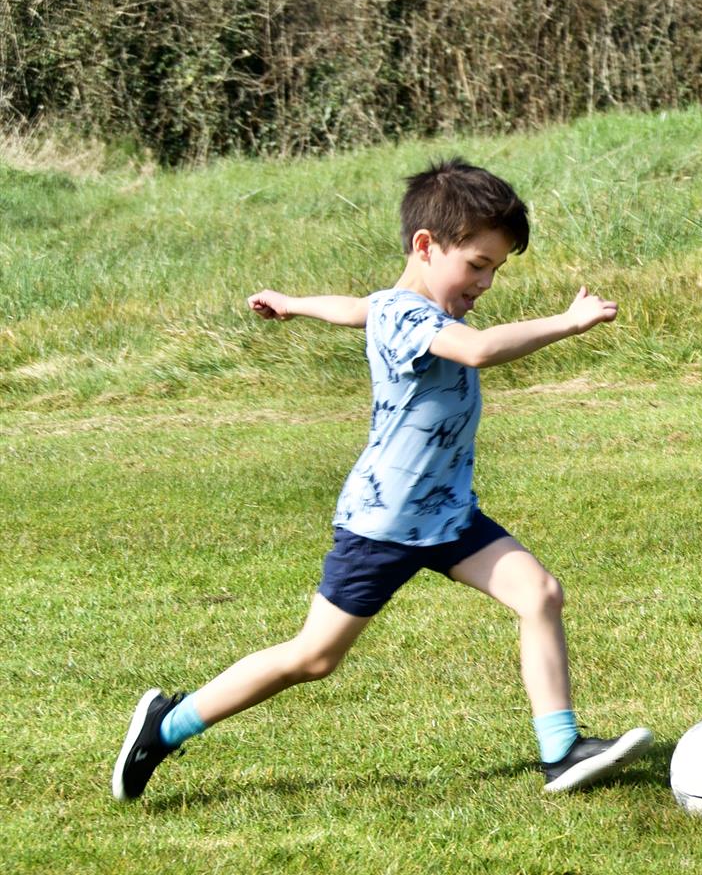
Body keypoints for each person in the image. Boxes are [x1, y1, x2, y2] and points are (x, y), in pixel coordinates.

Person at [112, 157, 651, 801]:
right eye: (476, 265)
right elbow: (476, 349)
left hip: (448, 514)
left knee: (538, 593)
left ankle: (561, 752)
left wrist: (292, 304)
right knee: (313, 659)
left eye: (494, 271)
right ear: (425, 246)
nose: (484, 282)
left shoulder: (394, 309)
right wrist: (568, 322)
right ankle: (164, 726)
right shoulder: (410, 318)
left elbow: (356, 308)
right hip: (385, 522)